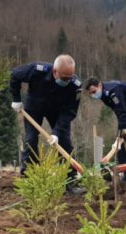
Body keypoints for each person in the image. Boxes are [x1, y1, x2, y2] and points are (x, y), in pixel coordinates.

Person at [10, 55, 82, 183]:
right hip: (34, 108)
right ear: (55, 72)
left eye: (69, 78)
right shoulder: (38, 70)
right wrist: (16, 99)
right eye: (63, 78)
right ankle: (28, 176)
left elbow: (70, 112)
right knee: (30, 139)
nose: (66, 81)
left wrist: (56, 132)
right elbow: (15, 75)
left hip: (58, 111)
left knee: (64, 141)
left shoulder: (75, 85)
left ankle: (70, 180)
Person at [84, 78, 126, 176]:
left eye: (94, 91)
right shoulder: (103, 95)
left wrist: (121, 130)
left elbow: (121, 111)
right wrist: (120, 134)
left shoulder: (114, 90)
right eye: (91, 93)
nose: (93, 95)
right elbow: (118, 111)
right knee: (118, 143)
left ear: (99, 85)